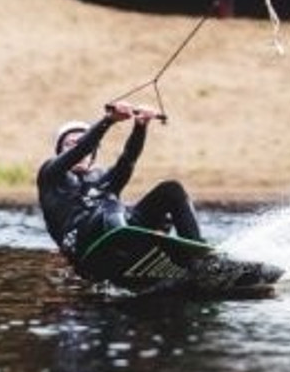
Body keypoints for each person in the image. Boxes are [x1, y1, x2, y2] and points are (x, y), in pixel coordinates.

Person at [37, 101, 205, 273]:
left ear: (94, 152)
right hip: (87, 251)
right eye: (69, 144)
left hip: (118, 230)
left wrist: (140, 126)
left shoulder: (102, 180)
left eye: (85, 145)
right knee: (111, 203)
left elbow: (128, 159)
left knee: (171, 190)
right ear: (60, 152)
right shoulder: (50, 175)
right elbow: (82, 147)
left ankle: (200, 258)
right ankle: (132, 241)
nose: (80, 152)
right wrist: (108, 120)